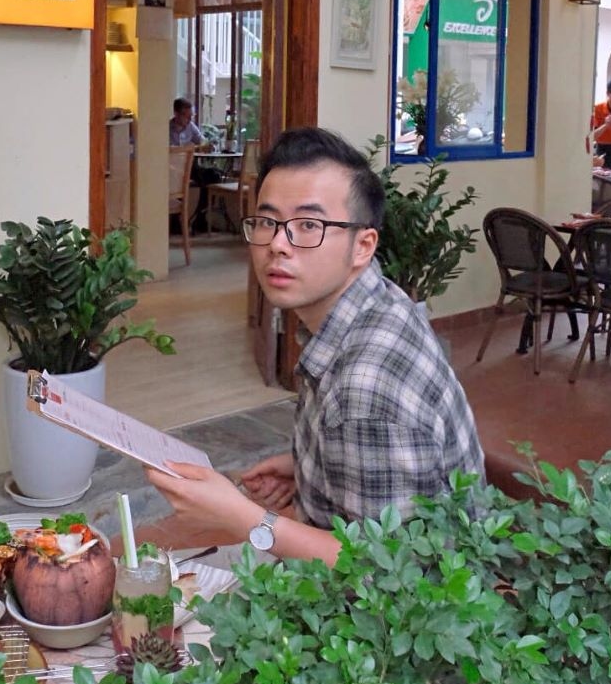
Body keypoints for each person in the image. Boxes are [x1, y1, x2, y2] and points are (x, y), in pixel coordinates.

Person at [147, 126, 485, 566]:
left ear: (363, 245)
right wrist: (307, 464)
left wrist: (241, 517)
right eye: (267, 222)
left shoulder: (367, 391)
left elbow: (386, 574)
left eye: (309, 225)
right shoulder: (373, 301)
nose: (278, 245)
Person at [169, 97, 218, 233]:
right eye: (186, 116)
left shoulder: (191, 127)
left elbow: (202, 142)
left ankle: (201, 217)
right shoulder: (167, 129)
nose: (189, 119)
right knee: (176, 180)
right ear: (176, 114)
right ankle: (175, 222)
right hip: (172, 168)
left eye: (191, 116)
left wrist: (207, 146)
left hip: (190, 166)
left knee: (212, 176)